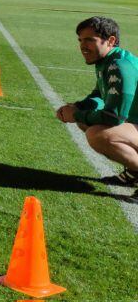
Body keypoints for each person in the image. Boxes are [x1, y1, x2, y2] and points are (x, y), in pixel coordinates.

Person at [55, 17, 137, 202]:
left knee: (98, 134)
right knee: (86, 122)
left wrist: (75, 114)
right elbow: (99, 94)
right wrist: (78, 107)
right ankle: (134, 171)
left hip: (130, 122)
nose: (83, 46)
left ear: (111, 41)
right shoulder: (107, 61)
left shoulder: (120, 66)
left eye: (89, 40)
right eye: (80, 40)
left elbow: (113, 117)